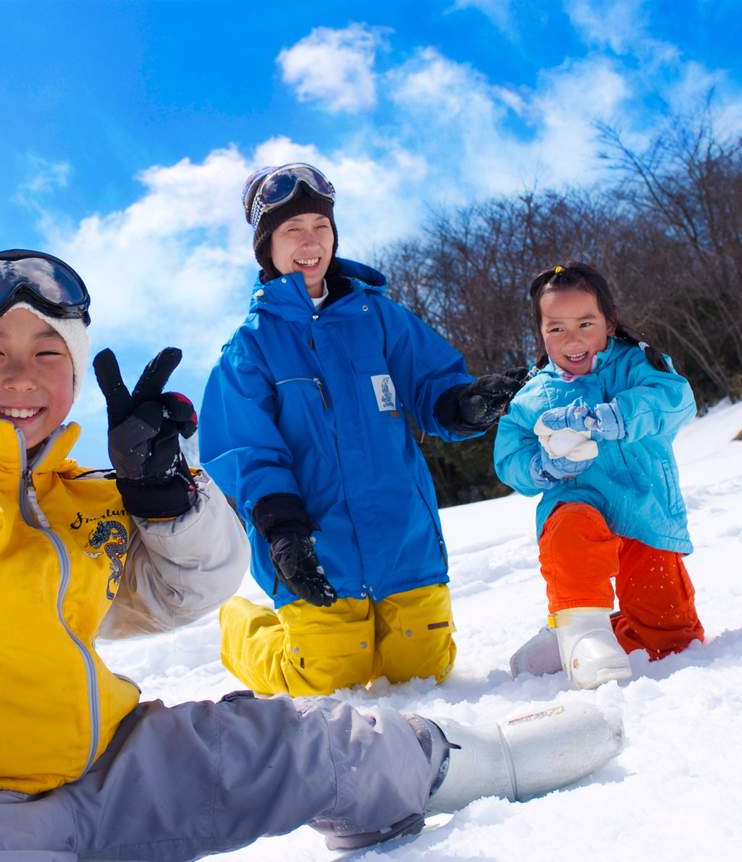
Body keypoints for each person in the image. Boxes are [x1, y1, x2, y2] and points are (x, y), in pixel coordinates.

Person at [0, 249, 623, 861]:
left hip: (112, 764)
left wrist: (166, 493)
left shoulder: (78, 492)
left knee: (289, 736)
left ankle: (461, 762)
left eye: (49, 353)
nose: (20, 376)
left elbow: (188, 593)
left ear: (74, 375)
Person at [200, 163, 525, 698]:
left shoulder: (378, 315)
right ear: (267, 246)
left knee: (423, 673)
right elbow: (247, 449)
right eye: (291, 231)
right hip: (317, 546)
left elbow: (432, 385)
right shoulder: (250, 346)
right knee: (327, 680)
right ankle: (242, 626)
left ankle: (377, 630)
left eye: (320, 227)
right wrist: (283, 532)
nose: (310, 243)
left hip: (404, 539)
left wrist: (465, 403)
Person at [494, 263, 706, 690]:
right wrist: (542, 465)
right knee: (571, 530)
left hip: (644, 511)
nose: (572, 340)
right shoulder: (533, 395)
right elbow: (509, 456)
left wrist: (621, 413)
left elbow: (676, 398)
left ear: (609, 322)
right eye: (556, 329)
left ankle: (573, 635)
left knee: (672, 637)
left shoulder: (638, 363)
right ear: (540, 333)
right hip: (579, 507)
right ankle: (582, 632)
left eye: (585, 324)